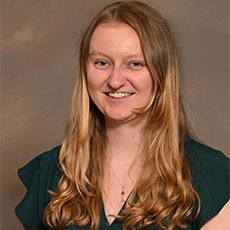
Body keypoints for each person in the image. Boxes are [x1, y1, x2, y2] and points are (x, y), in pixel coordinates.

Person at [15, 1, 229, 230]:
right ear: (85, 70)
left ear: (162, 73)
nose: (115, 80)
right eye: (102, 62)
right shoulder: (52, 171)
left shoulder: (210, 174)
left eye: (135, 63)